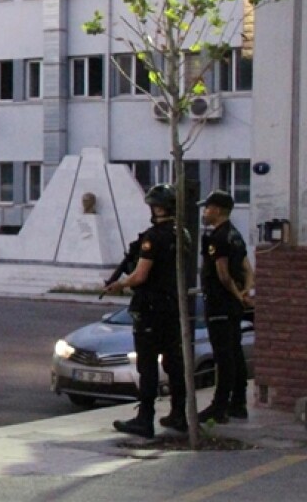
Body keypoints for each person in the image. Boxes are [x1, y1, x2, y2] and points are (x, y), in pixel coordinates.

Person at [104, 183, 188, 438]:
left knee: (148, 366)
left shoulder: (153, 237)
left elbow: (140, 275)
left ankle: (145, 419)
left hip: (151, 308)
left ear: (158, 208)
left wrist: (120, 284)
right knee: (174, 363)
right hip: (173, 306)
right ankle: (179, 414)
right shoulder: (182, 233)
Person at [197, 190, 250, 423]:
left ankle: (219, 407)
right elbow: (248, 269)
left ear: (217, 210)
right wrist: (245, 291)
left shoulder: (218, 237)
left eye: (207, 208)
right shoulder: (235, 235)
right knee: (235, 352)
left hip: (220, 303)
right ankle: (238, 403)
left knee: (223, 356)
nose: (205, 212)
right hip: (233, 305)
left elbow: (223, 275)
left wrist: (238, 295)